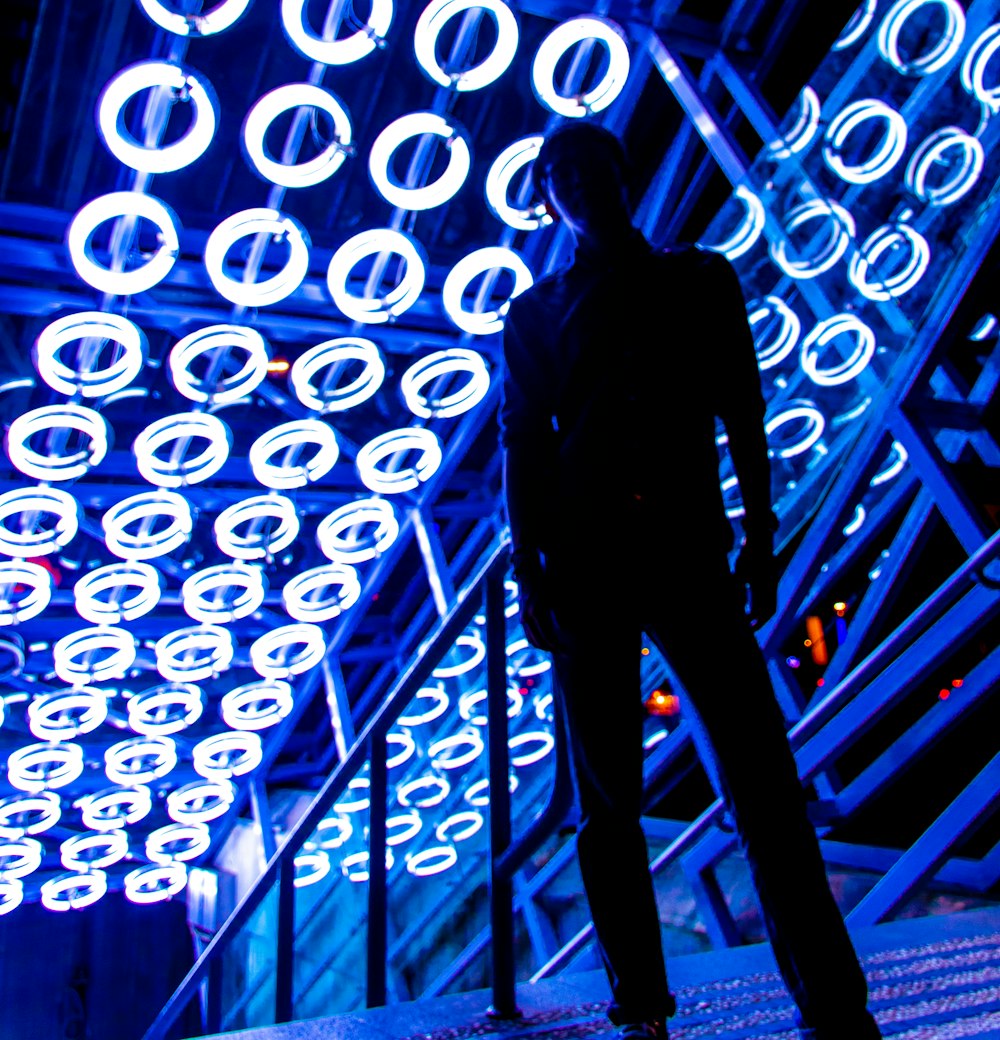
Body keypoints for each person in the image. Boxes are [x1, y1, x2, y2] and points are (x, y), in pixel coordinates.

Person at [498, 122, 882, 1040]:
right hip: (590, 565)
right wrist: (529, 565)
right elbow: (524, 443)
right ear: (548, 197)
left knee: (760, 779)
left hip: (688, 553)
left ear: (621, 176)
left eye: (591, 168)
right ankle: (642, 1006)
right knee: (608, 802)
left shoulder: (699, 280)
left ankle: (831, 1002)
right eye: (560, 177)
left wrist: (762, 531)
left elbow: (740, 406)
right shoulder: (536, 313)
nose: (578, 186)